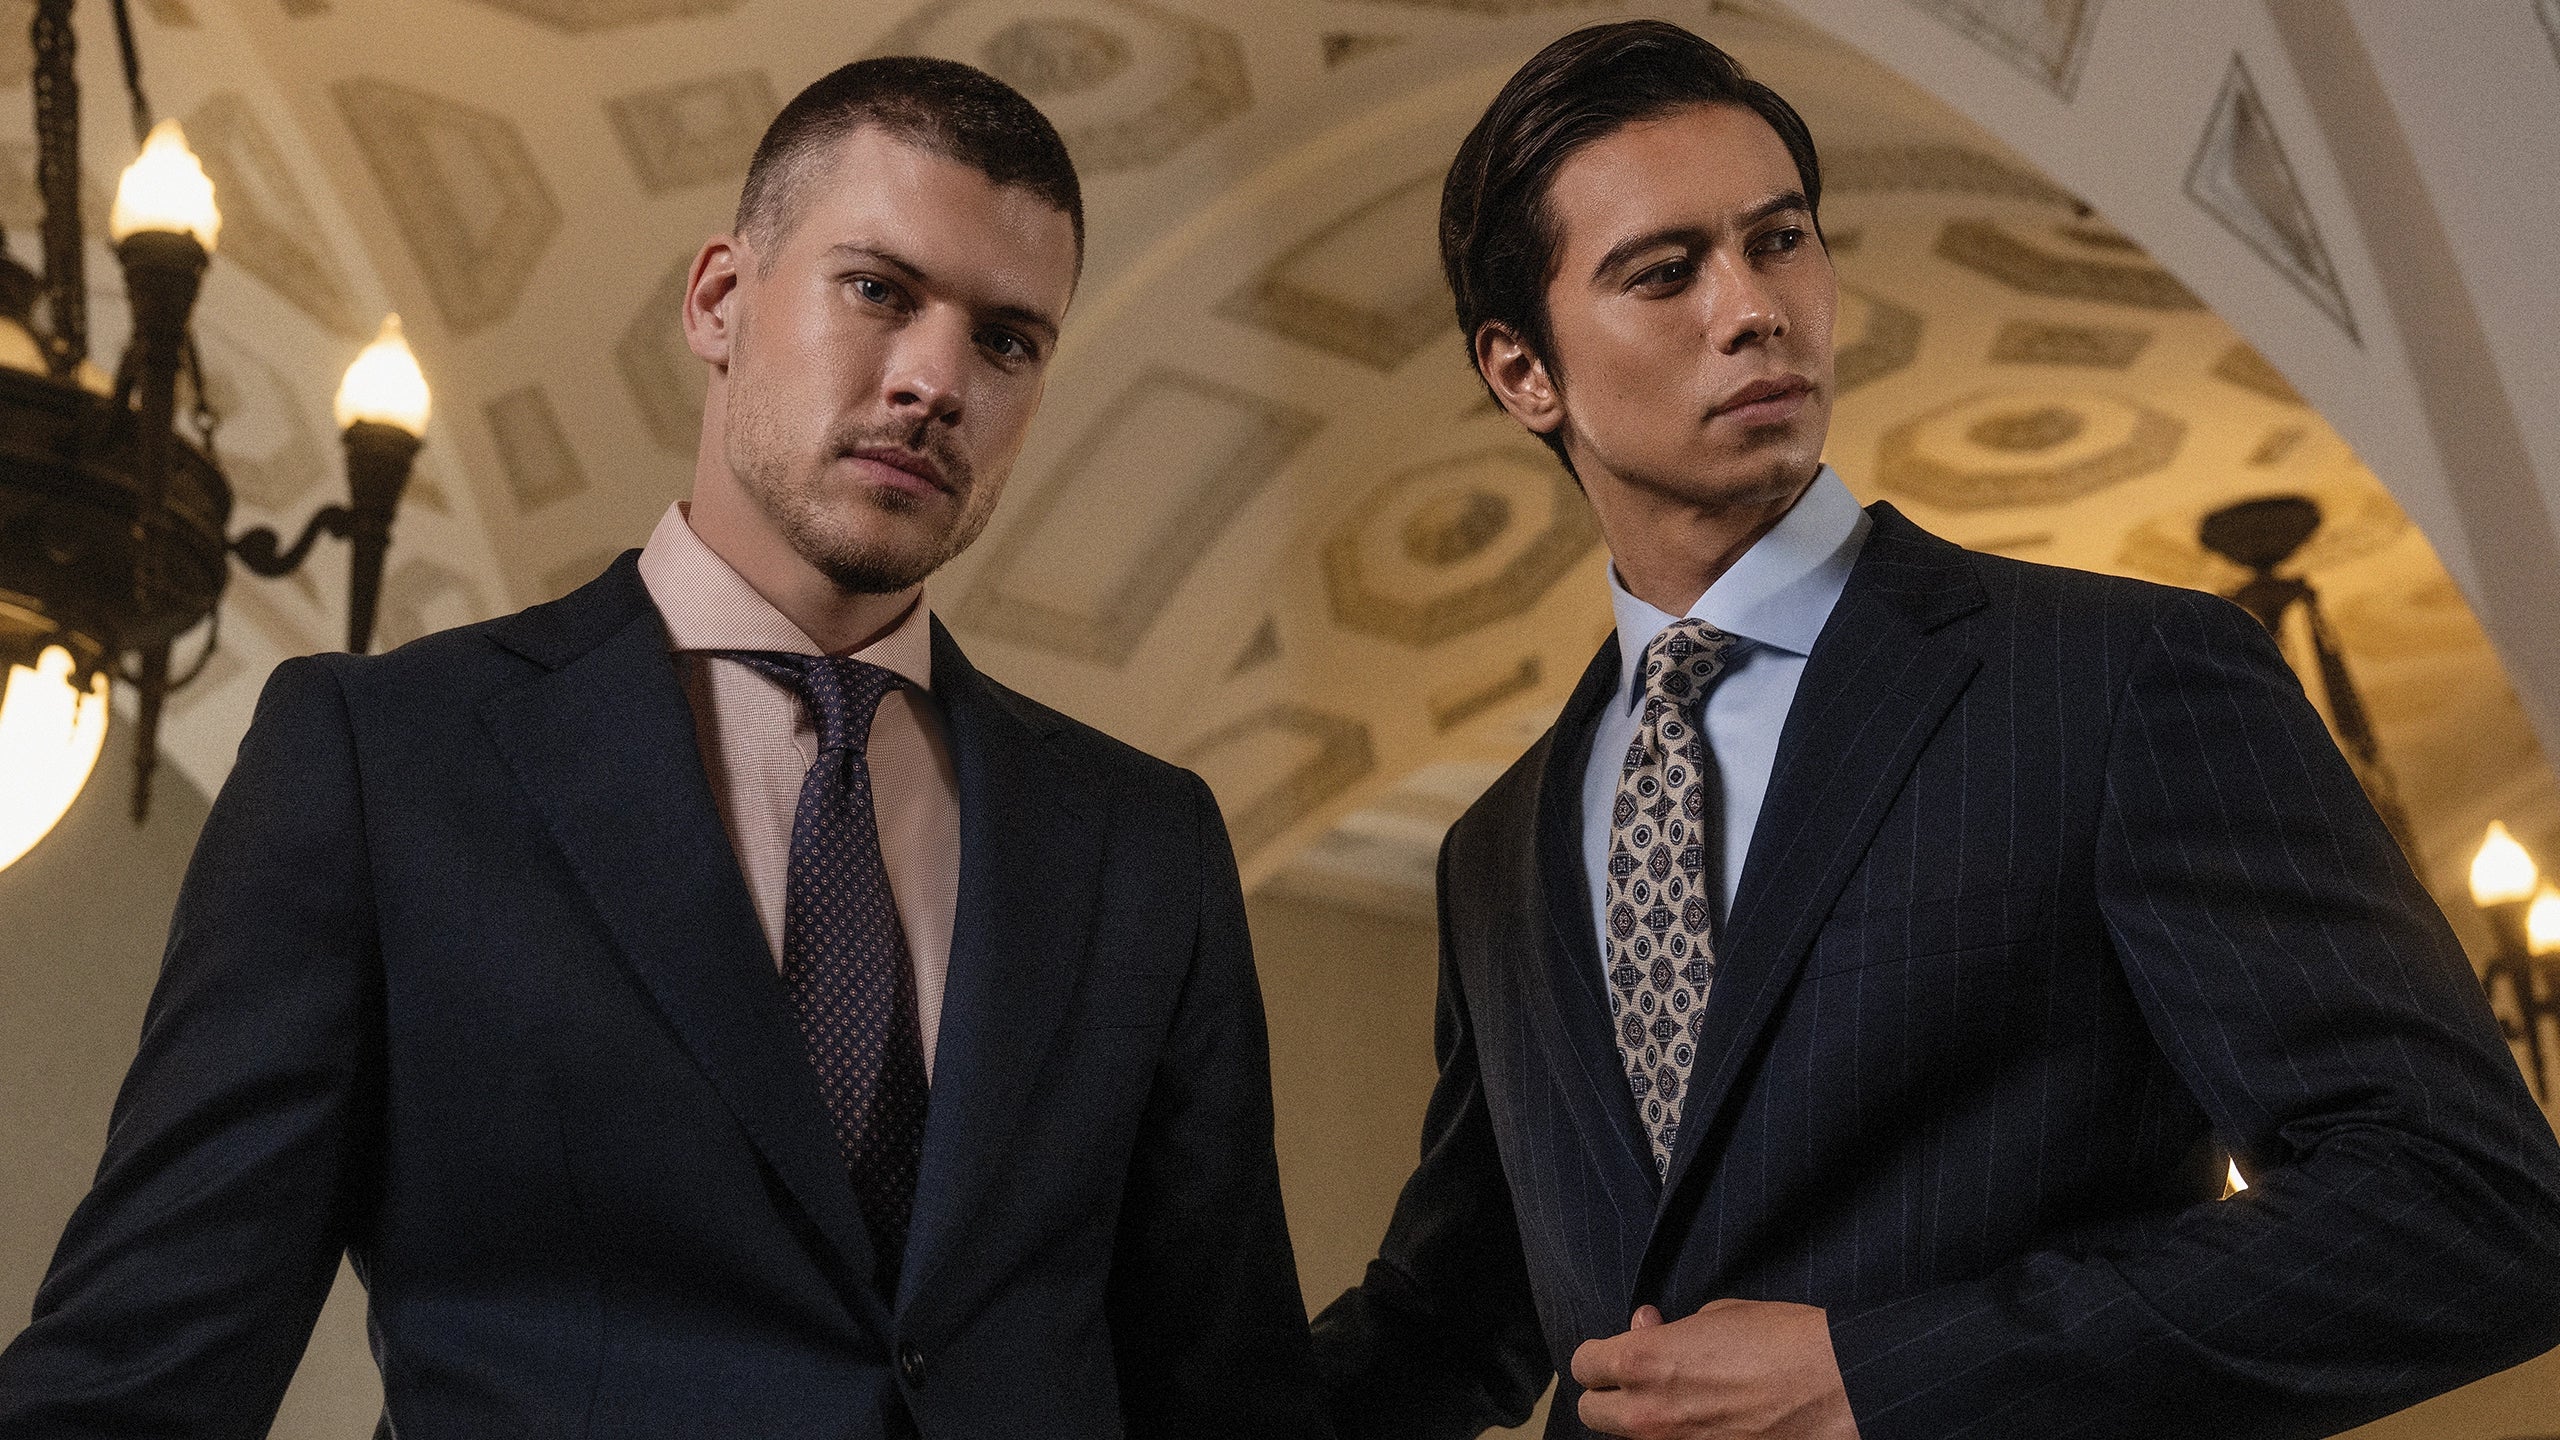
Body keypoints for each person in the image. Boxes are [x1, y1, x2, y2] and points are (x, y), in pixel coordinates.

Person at [0, 57, 1325, 1439]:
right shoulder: (384, 762)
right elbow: (142, 1370)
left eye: (1007, 341)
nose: (937, 380)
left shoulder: (1141, 842)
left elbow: (1229, 1391)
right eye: (878, 290)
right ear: (718, 301)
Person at [1310, 20, 2560, 1440]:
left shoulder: (2126, 679)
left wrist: (1891, 1377)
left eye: (1780, 241)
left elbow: (2470, 1203)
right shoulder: (1496, 850)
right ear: (1522, 370)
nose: (1753, 307)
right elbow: (1449, 1315)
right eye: (1665, 273)